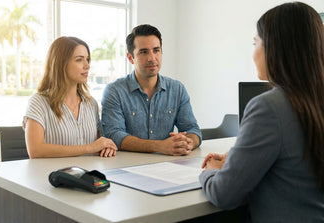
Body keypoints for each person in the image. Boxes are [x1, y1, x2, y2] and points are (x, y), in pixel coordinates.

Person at [199, 2, 324, 222]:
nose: (253, 52)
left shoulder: (268, 107)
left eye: (255, 43)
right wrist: (238, 159)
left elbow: (223, 194)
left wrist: (208, 171)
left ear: (275, 48)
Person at [101, 24, 201, 156]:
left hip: (169, 163)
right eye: (144, 52)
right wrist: (160, 146)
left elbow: (192, 129)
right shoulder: (114, 91)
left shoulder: (177, 89)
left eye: (156, 50)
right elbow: (114, 135)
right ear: (130, 58)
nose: (152, 58)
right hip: (128, 167)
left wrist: (187, 143)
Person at [23, 36, 117, 158]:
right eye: (79, 60)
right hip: (53, 176)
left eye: (87, 59)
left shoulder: (91, 103)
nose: (87, 65)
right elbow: (35, 151)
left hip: (88, 174)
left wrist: (107, 147)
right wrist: (89, 148)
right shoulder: (39, 102)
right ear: (60, 63)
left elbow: (100, 144)